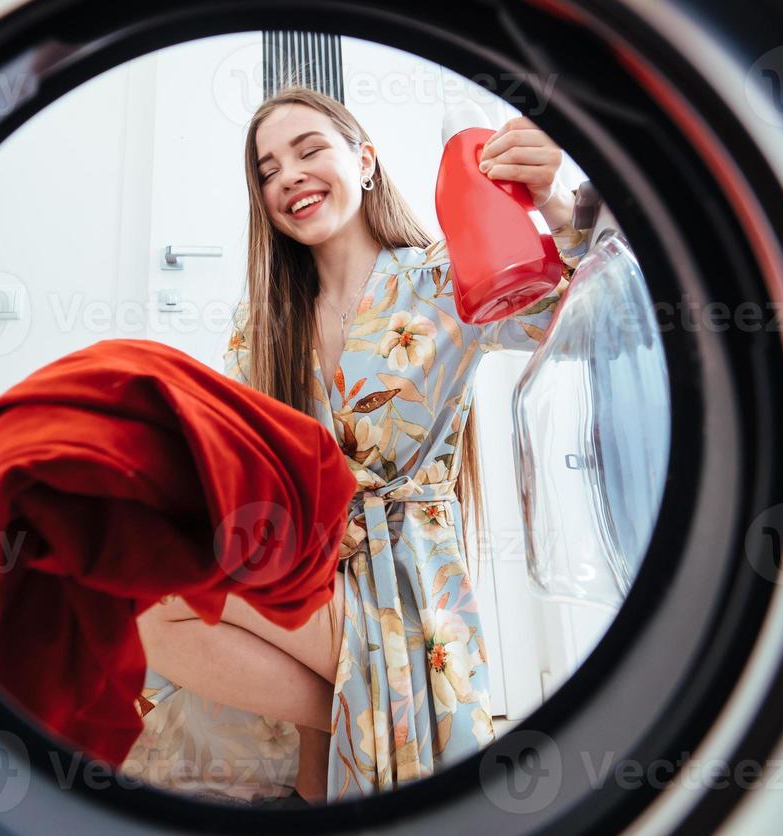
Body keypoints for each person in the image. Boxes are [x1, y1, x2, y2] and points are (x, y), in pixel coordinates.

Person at [132, 85, 591, 804]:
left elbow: (578, 322)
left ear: (366, 162)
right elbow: (241, 463)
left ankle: (346, 712)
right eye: (268, 168)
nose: (288, 175)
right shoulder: (261, 323)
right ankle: (360, 706)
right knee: (147, 595)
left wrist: (558, 205)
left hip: (407, 577)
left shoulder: (442, 277)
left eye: (310, 149)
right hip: (306, 566)